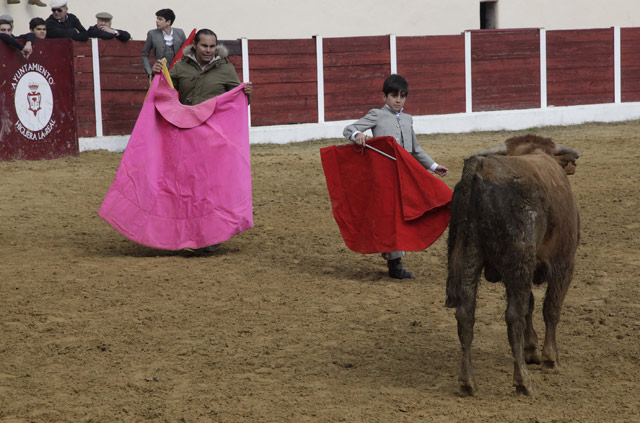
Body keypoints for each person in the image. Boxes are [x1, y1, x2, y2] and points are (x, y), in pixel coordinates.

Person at [151, 28, 253, 253]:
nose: (208, 50)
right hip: (185, 135)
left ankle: (211, 237)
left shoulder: (225, 68)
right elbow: (163, 91)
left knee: (210, 188)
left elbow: (238, 103)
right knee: (186, 186)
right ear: (195, 46)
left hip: (213, 139)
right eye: (204, 45)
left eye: (212, 46)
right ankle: (186, 233)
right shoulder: (181, 67)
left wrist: (246, 93)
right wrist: (156, 73)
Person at [343, 74, 449, 279]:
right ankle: (395, 263)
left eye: (402, 96)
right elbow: (349, 129)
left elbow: (415, 150)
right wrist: (358, 136)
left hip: (405, 175)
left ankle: (394, 258)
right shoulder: (377, 115)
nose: (398, 100)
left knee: (407, 212)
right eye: (394, 96)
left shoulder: (408, 119)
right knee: (392, 217)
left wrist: (434, 166)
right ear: (384, 97)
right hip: (385, 177)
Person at [141, 8, 186, 80]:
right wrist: (150, 73)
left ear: (168, 22)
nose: (157, 21)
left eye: (160, 19)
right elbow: (145, 55)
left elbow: (186, 52)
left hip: (178, 72)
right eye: (157, 19)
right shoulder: (152, 34)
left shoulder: (180, 33)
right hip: (161, 72)